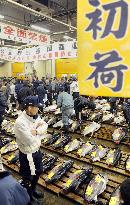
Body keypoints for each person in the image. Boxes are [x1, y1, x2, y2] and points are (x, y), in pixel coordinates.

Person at [14, 96, 48, 204]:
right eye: (36, 107)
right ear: (29, 108)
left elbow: (45, 125)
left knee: (38, 172)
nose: (38, 109)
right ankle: (28, 199)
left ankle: (32, 191)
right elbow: (29, 140)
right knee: (28, 178)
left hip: (36, 151)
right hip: (28, 155)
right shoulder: (20, 122)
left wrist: (37, 132)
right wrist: (39, 134)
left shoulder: (34, 116)